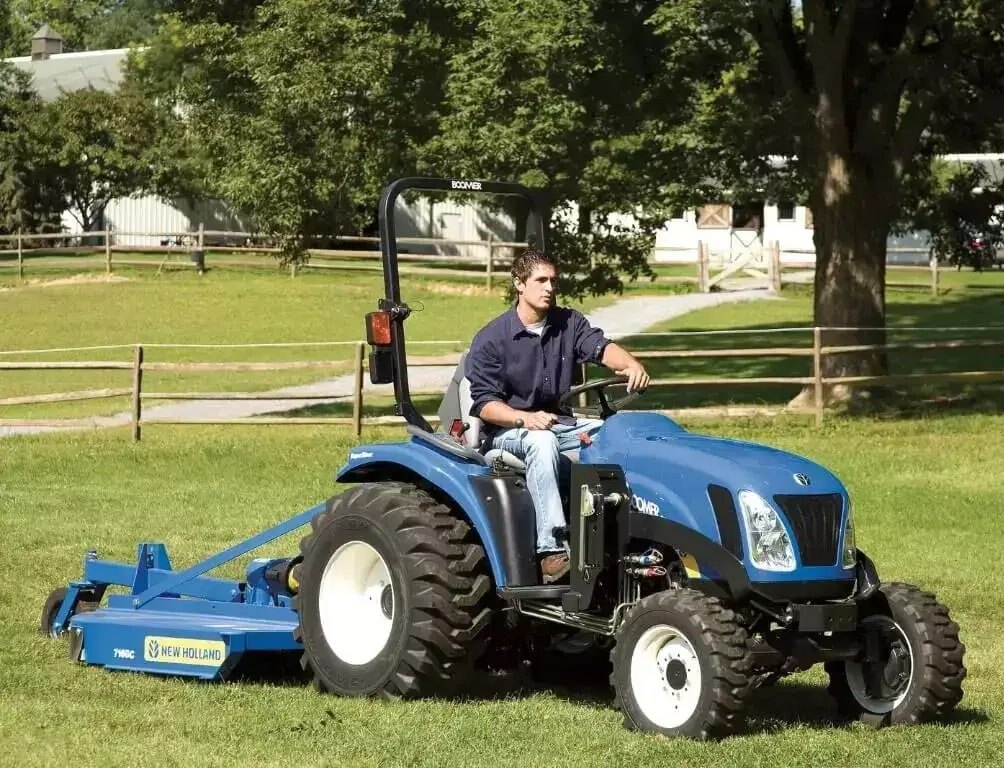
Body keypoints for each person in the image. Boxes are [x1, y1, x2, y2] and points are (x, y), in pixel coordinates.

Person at [465, 248, 650, 583]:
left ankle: (630, 532)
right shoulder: (492, 339)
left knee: (618, 434)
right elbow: (484, 405)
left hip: (560, 424)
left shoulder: (569, 323)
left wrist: (631, 364)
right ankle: (551, 551)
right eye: (541, 280)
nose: (549, 287)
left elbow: (602, 349)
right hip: (507, 433)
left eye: (553, 280)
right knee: (541, 443)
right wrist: (525, 418)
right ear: (519, 285)